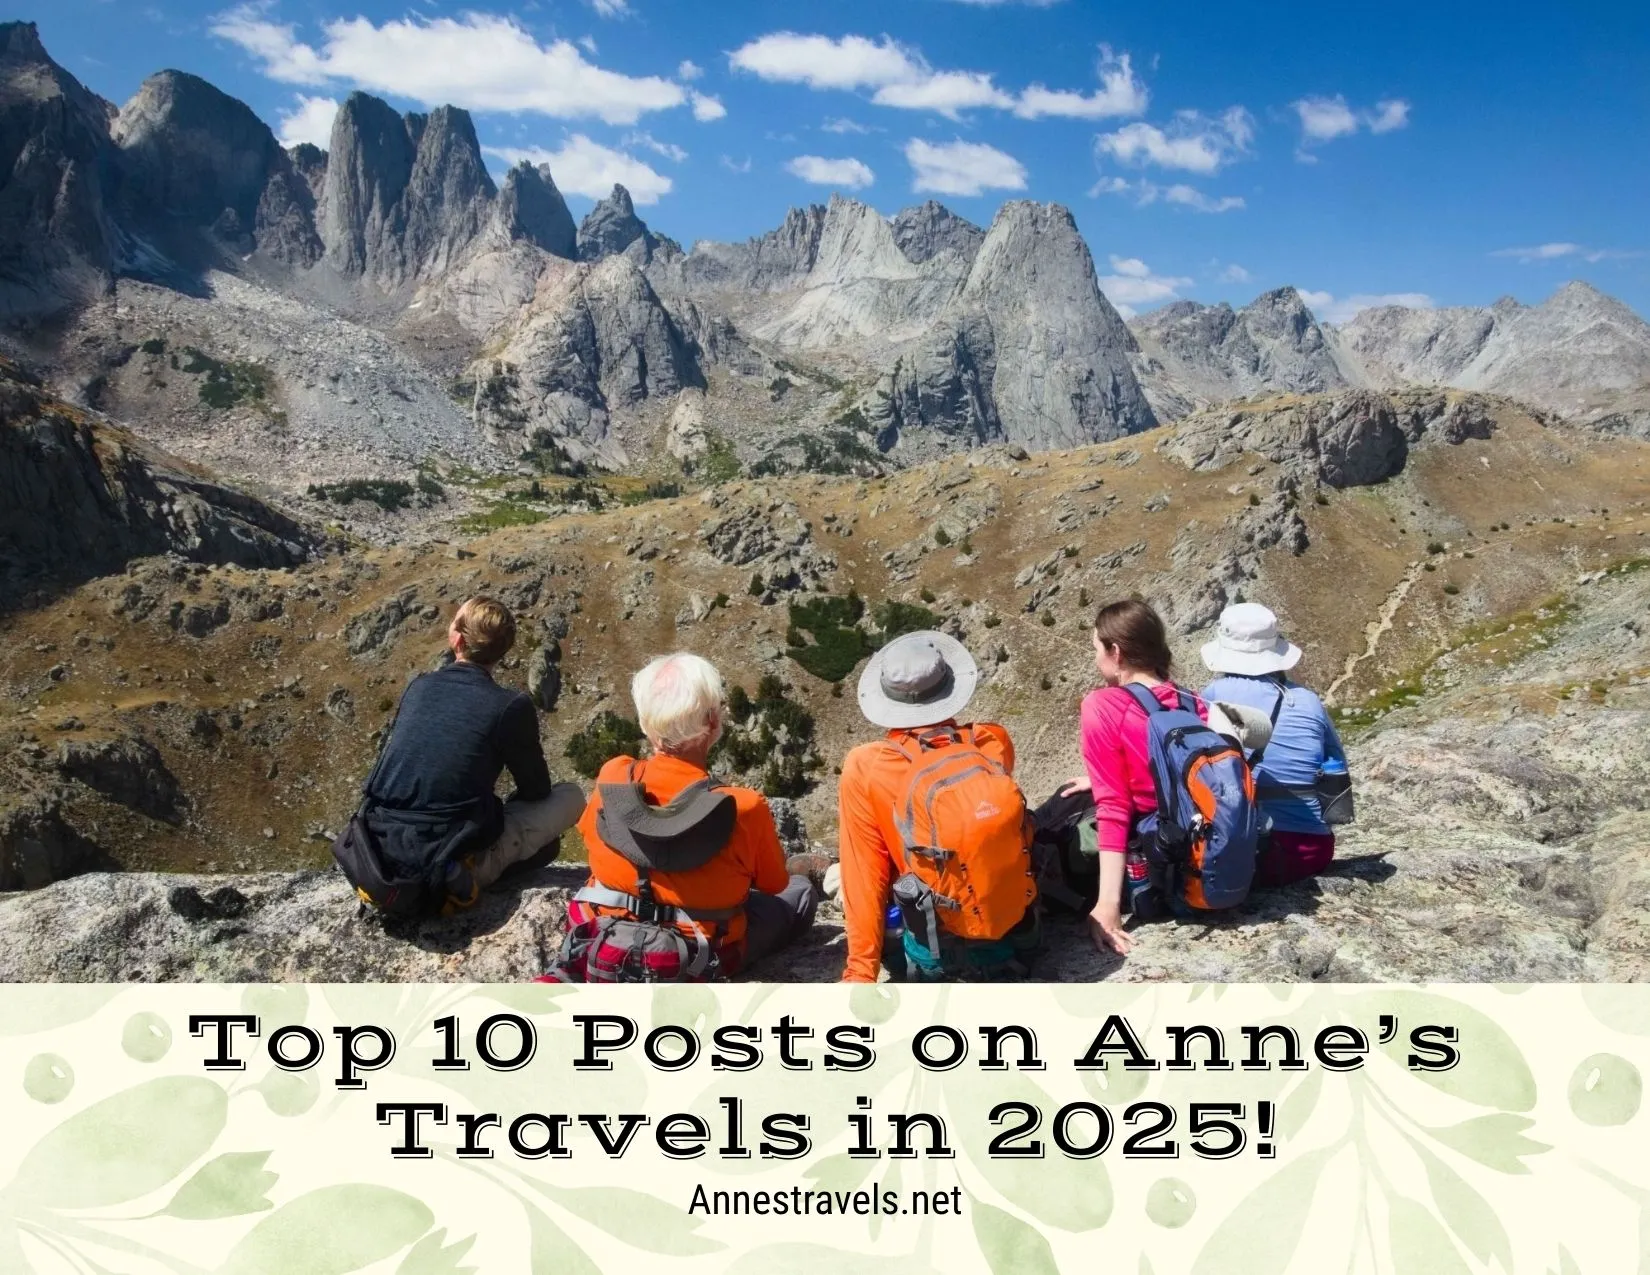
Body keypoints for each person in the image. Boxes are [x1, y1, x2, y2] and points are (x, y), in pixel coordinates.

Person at [568, 653, 818, 978]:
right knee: (799, 893)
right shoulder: (742, 806)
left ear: (646, 722)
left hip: (605, 935)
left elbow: (588, 834)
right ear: (713, 722)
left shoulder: (614, 775)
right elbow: (774, 884)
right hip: (698, 952)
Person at [837, 631, 1038, 983]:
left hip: (936, 955)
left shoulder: (866, 767)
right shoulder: (992, 740)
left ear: (887, 699)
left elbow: (865, 876)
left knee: (843, 878)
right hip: (1018, 939)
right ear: (949, 688)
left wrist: (860, 975)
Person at [360, 596, 586, 906]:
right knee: (571, 796)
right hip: (440, 863)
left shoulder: (418, 687)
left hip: (377, 855)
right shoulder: (510, 706)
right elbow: (536, 790)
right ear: (503, 649)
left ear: (456, 638)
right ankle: (480, 871)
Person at [1066, 599, 1210, 957]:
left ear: (1115, 651)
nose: (1096, 658)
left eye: (1097, 648)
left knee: (1061, 814)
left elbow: (1115, 806)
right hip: (1202, 850)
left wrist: (1108, 906)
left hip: (1153, 863)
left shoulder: (1102, 704)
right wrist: (1098, 778)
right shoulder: (1193, 701)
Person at [1199, 603, 1347, 887]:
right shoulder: (1309, 700)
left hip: (1243, 852)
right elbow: (1336, 765)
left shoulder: (1213, 695)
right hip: (1312, 852)